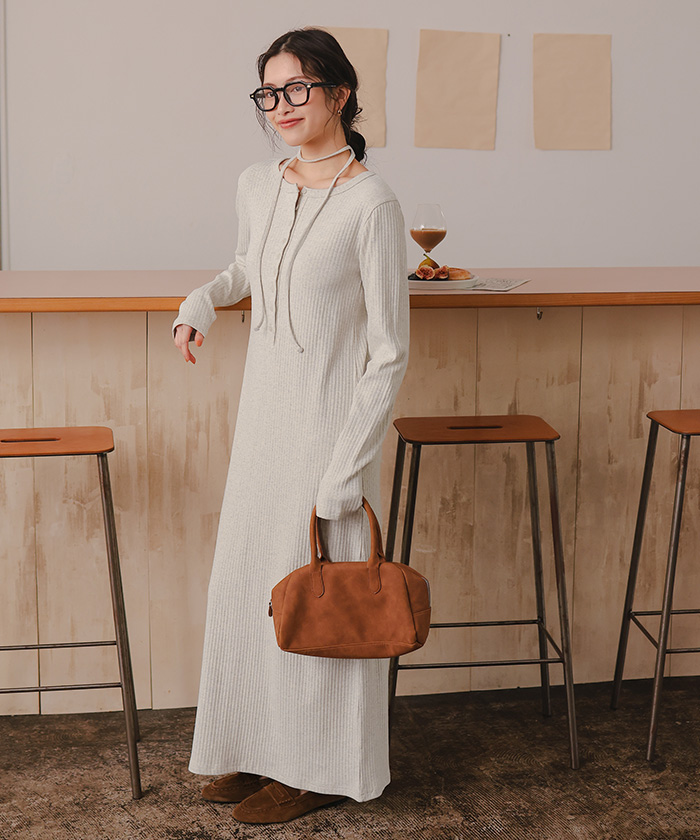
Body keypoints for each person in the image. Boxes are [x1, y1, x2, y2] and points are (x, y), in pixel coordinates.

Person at [173, 27, 409, 825]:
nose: (281, 106)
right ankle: (257, 748)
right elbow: (251, 264)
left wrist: (348, 465)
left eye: (297, 88)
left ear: (340, 93)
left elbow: (389, 352)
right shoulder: (257, 183)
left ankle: (323, 769)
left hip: (329, 429)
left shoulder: (373, 203)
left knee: (323, 594)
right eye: (269, 93)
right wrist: (205, 298)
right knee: (254, 583)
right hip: (264, 422)